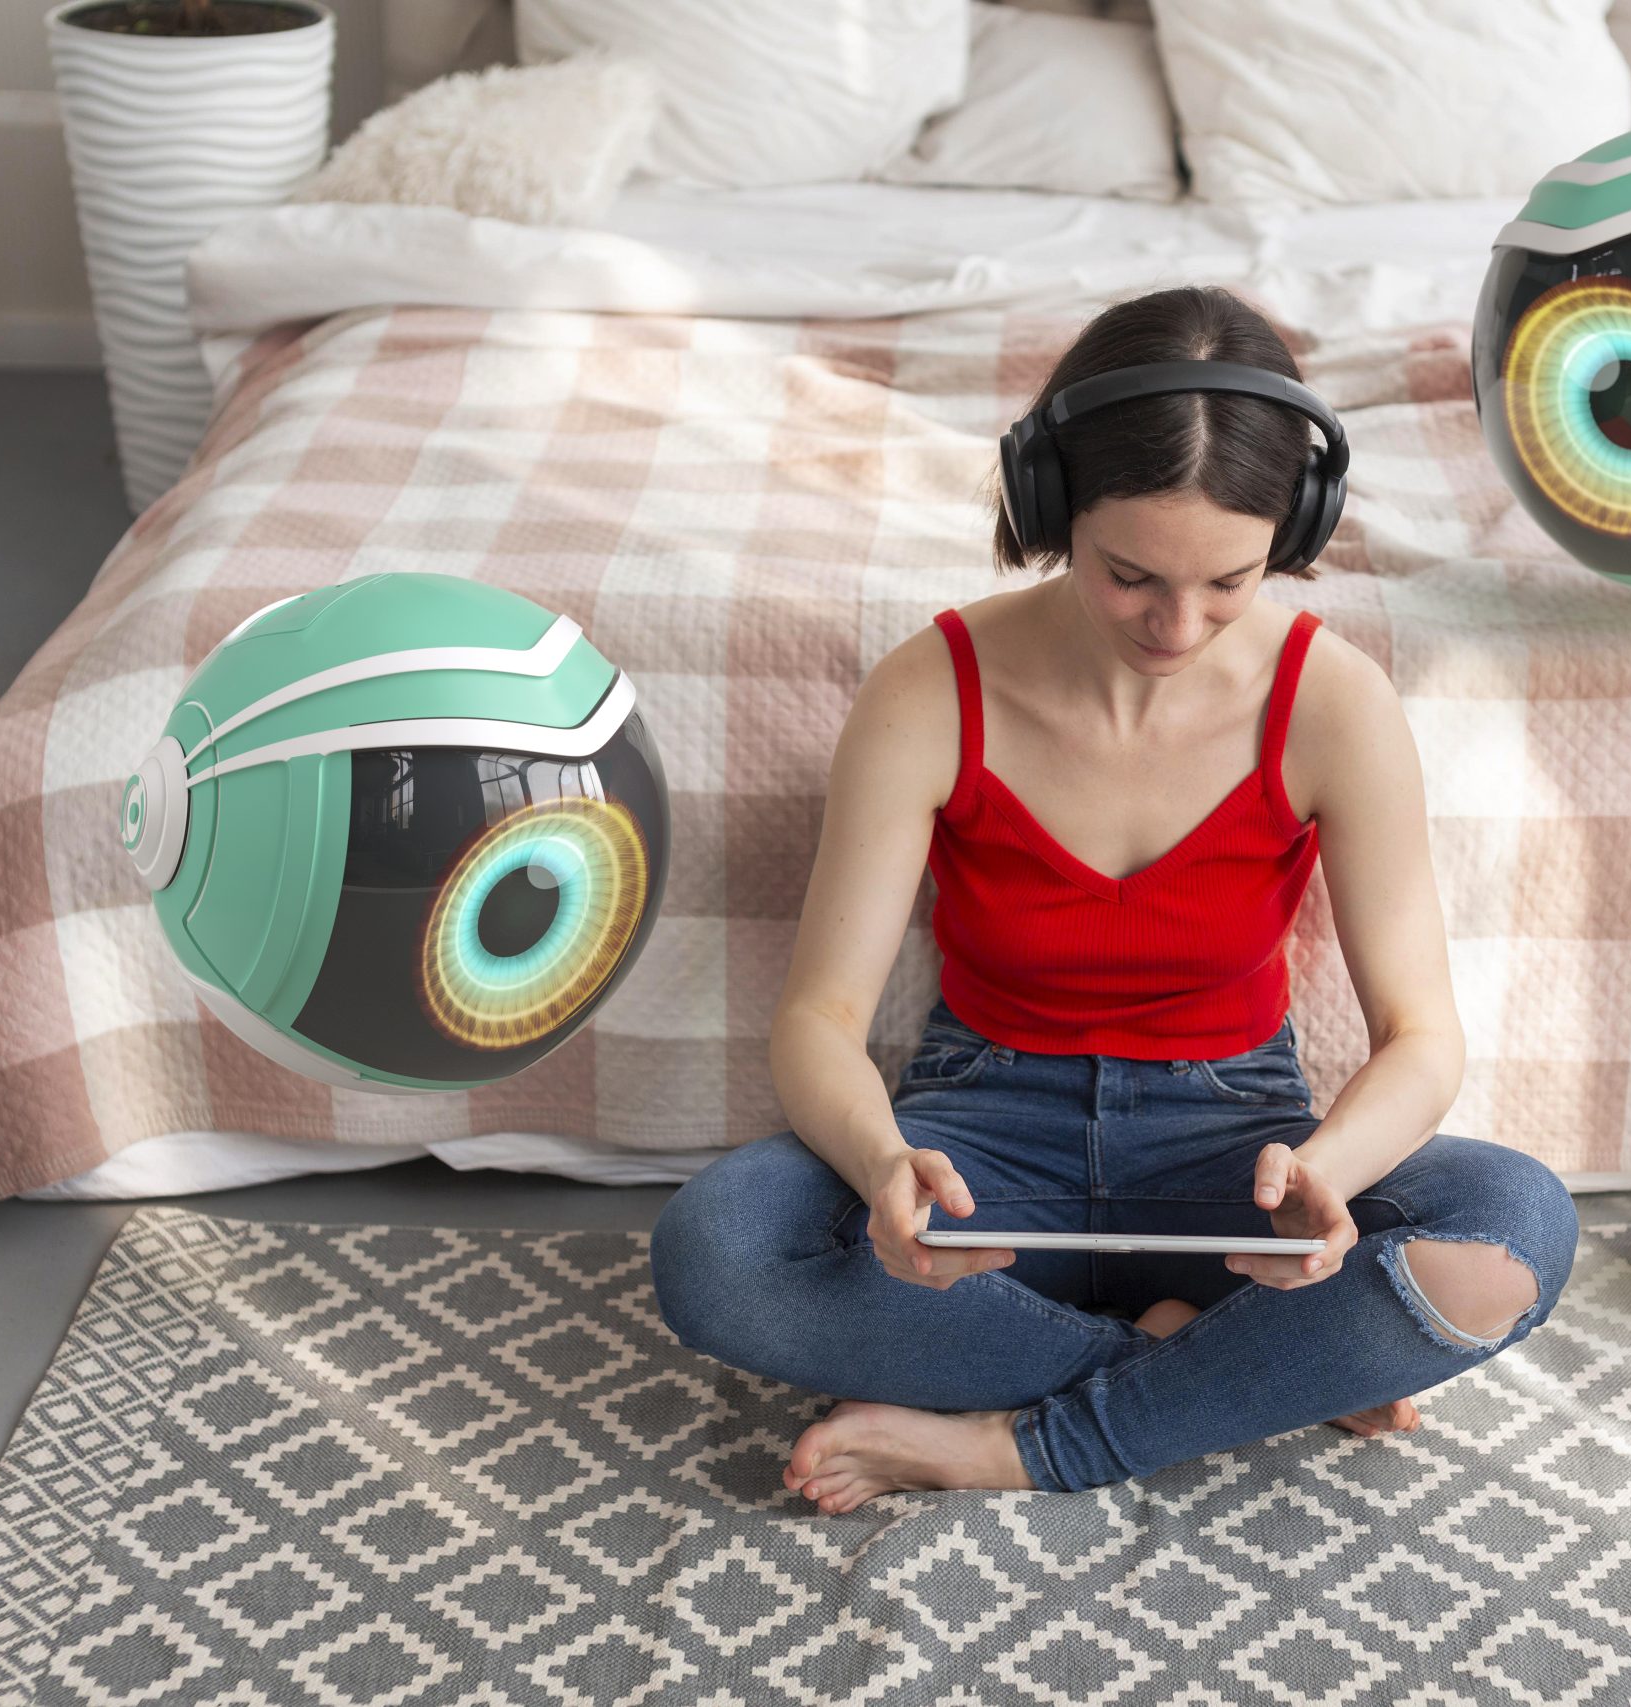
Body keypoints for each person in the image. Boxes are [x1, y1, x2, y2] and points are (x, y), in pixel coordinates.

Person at [650, 285, 1578, 1512]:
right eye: (1129, 573)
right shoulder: (929, 690)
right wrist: (883, 1165)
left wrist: (1329, 1177)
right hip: (982, 1145)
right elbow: (818, 1020)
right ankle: (1239, 1378)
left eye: (1230, 583)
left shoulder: (1334, 704)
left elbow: (1421, 1037)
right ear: (1050, 508)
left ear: (1290, 534)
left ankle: (1013, 1443)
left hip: (1234, 1152)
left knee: (1518, 1225)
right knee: (714, 1253)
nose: (1176, 625)